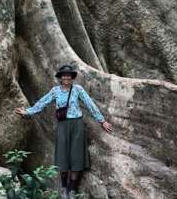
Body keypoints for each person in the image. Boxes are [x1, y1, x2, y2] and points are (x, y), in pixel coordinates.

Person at [15, 65, 114, 199]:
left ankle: (71, 190)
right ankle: (63, 189)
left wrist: (102, 121)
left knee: (76, 158)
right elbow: (42, 103)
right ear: (61, 77)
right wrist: (28, 111)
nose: (66, 77)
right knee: (63, 158)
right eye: (64, 75)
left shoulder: (78, 89)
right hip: (62, 126)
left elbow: (90, 104)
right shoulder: (55, 91)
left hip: (77, 126)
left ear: (72, 77)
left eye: (68, 75)